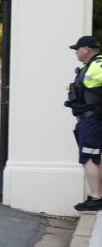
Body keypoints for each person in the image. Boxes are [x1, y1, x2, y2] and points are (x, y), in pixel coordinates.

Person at [65, 36, 102, 211]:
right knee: (92, 158)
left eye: (77, 49)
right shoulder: (91, 66)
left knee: (90, 158)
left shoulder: (97, 65)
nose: (76, 52)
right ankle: (95, 196)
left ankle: (96, 197)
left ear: (86, 49)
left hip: (92, 120)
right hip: (88, 120)